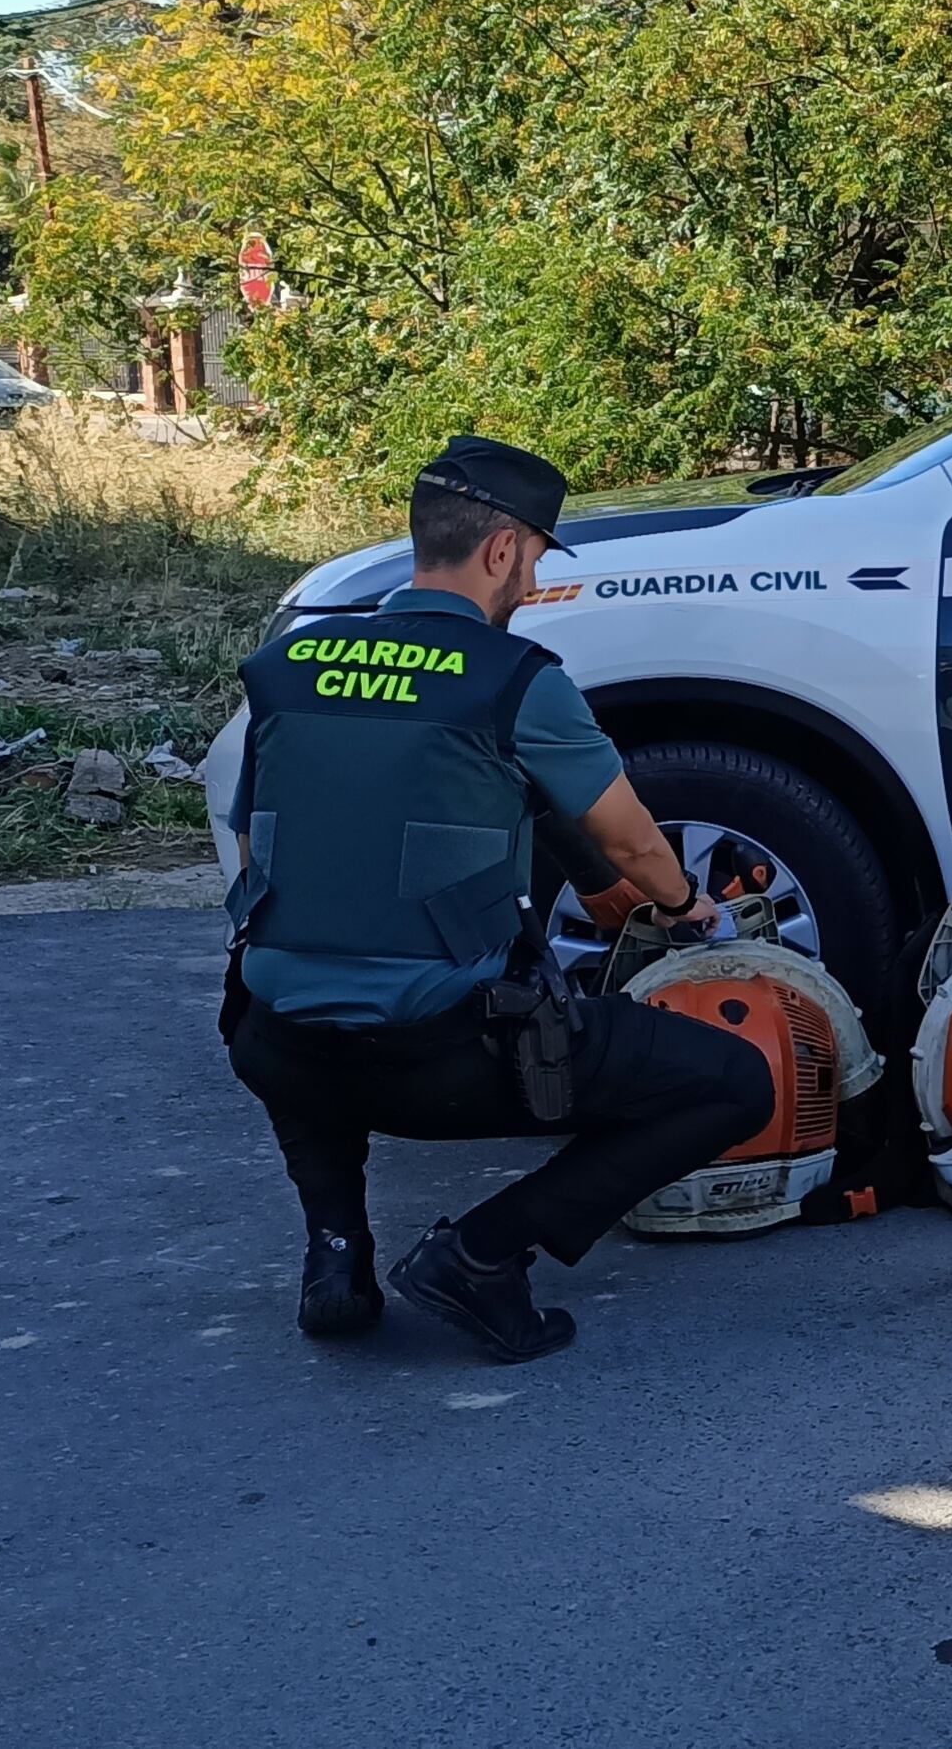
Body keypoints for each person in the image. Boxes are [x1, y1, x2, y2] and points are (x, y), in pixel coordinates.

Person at [220, 434, 773, 1362]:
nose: (530, 587)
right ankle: (481, 1253)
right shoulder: (516, 681)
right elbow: (632, 840)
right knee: (731, 1082)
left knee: (307, 984)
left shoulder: (286, 669)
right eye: (536, 562)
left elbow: (254, 847)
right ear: (504, 549)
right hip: (441, 1063)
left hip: (275, 1045)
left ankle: (336, 1253)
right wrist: (684, 907)